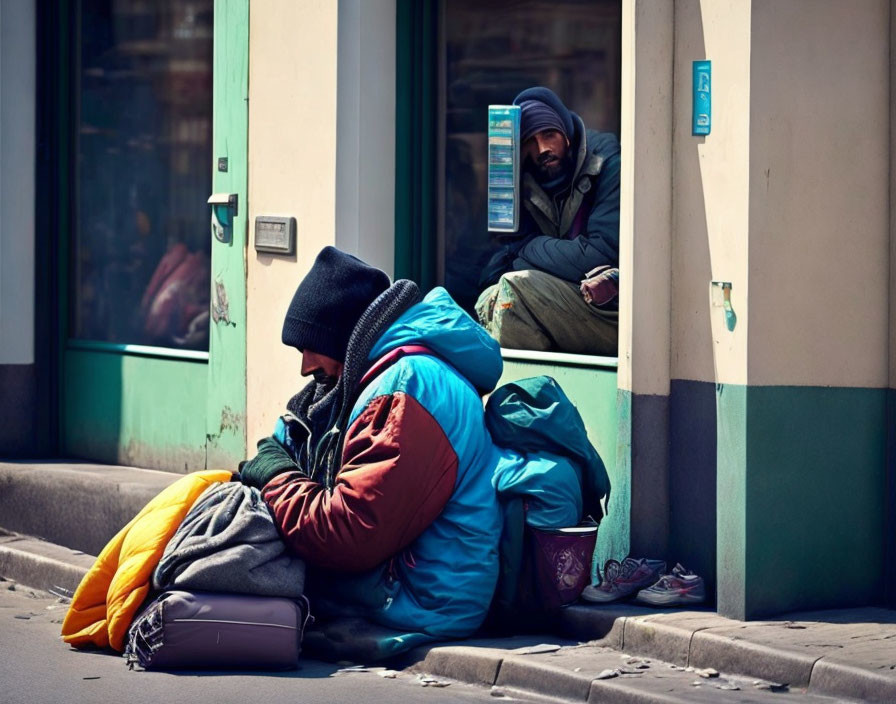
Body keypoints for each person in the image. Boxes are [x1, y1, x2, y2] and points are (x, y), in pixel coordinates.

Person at [237, 246, 505, 645]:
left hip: (418, 596)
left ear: (344, 337)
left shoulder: (406, 390)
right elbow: (298, 441)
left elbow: (350, 532)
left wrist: (275, 477)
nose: (305, 366)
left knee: (238, 569)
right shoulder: (377, 377)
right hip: (402, 579)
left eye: (311, 347)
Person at [476, 86, 621, 355]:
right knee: (491, 298)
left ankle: (539, 389)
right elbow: (493, 265)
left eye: (549, 135)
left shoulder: (607, 165)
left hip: (610, 310)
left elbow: (599, 254)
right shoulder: (527, 180)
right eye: (530, 140)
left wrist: (527, 249)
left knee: (514, 289)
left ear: (566, 135)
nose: (542, 149)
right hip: (559, 301)